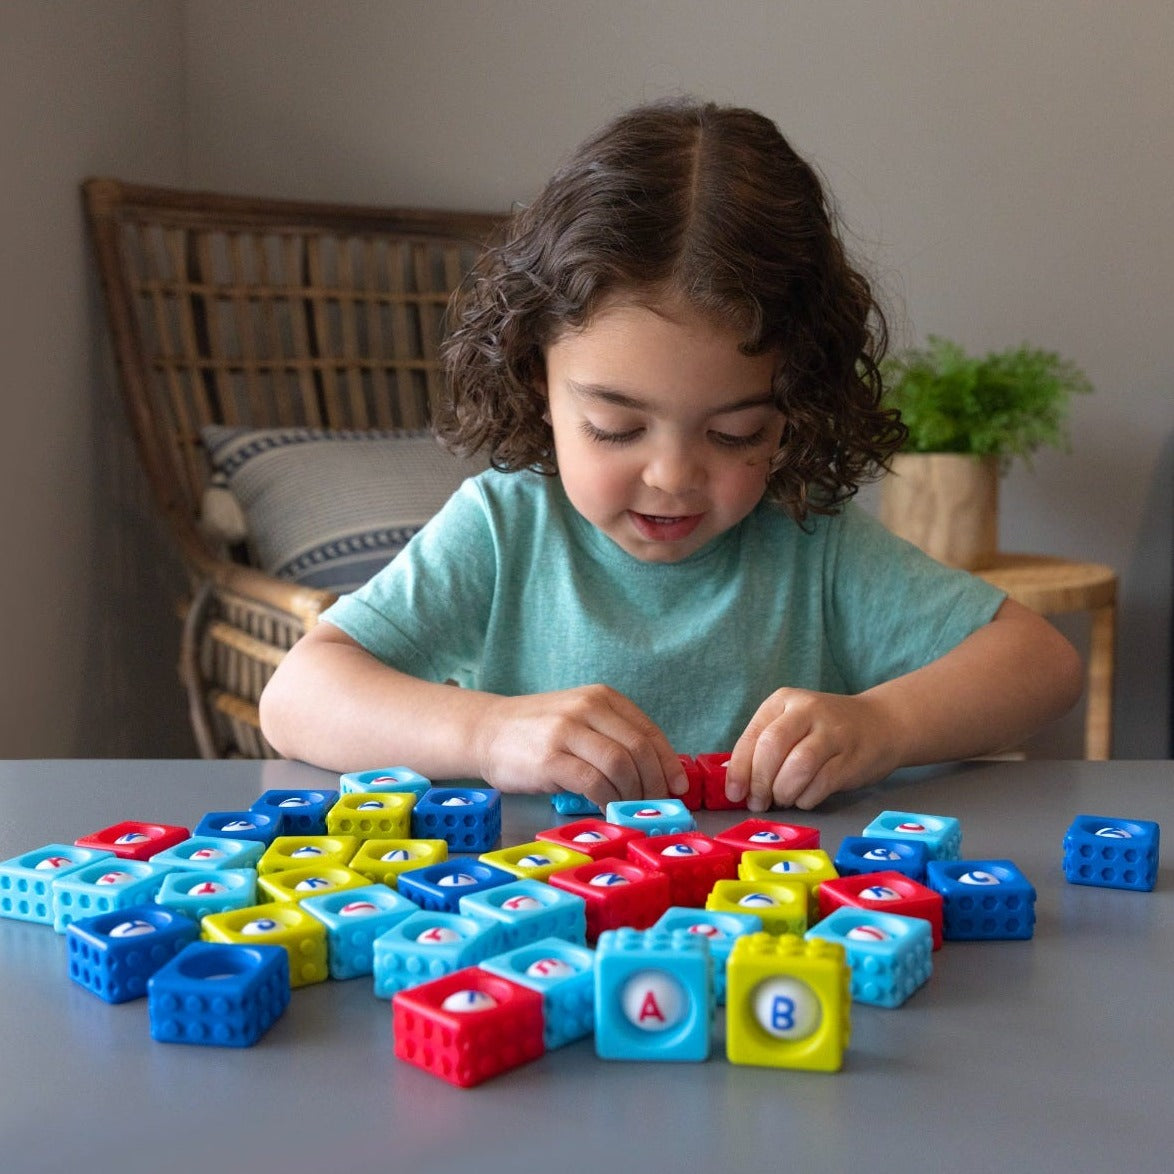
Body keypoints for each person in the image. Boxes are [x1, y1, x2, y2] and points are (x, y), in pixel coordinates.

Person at [259, 98, 1083, 811]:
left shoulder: (808, 544)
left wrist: (887, 725)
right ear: (535, 378)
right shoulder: (506, 529)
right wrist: (487, 733)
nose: (673, 476)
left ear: (797, 406)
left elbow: (1040, 663)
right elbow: (296, 697)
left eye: (736, 434)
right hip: (540, 930)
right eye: (616, 427)